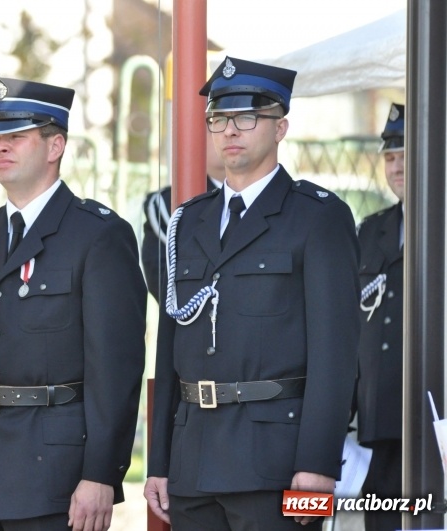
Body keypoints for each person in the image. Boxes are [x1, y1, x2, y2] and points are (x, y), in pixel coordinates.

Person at [144, 56, 361, 530]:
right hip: (192, 463)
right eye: (218, 118)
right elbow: (169, 347)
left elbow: (337, 354)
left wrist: (320, 464)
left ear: (280, 127)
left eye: (247, 117)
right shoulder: (188, 220)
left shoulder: (319, 217)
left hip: (282, 464)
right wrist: (160, 460)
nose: (229, 131)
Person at [0, 77, 147, 531]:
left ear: (55, 146)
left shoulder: (98, 236)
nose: (1, 148)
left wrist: (100, 474)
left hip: (54, 476)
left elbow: (116, 369)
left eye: (17, 137)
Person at [355, 103, 405, 531]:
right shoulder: (371, 230)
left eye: (407, 154)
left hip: (432, 416)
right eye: (391, 157)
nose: (398, 166)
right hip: (378, 417)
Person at [141, 134, 225, 301]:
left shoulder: (290, 203)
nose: (229, 132)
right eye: (214, 122)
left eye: (244, 118)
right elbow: (168, 294)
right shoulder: (167, 206)